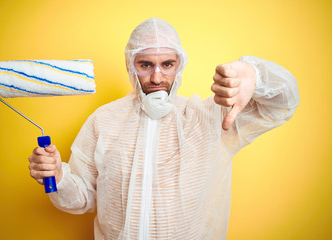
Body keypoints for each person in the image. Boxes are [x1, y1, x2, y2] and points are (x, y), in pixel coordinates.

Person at [28, 18, 300, 239]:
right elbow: (84, 198)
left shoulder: (208, 118)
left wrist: (255, 75)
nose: (157, 77)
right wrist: (59, 175)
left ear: (179, 65)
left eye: (167, 64)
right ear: (130, 65)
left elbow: (281, 105)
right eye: (145, 65)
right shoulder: (104, 120)